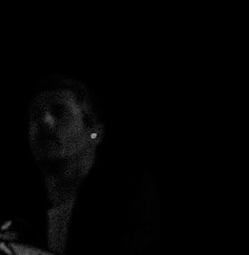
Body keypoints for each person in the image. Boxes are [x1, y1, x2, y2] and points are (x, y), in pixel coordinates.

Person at [11, 75, 163, 254]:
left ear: (94, 132)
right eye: (35, 115)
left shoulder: (127, 196)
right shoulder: (19, 214)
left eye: (59, 112)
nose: (44, 121)